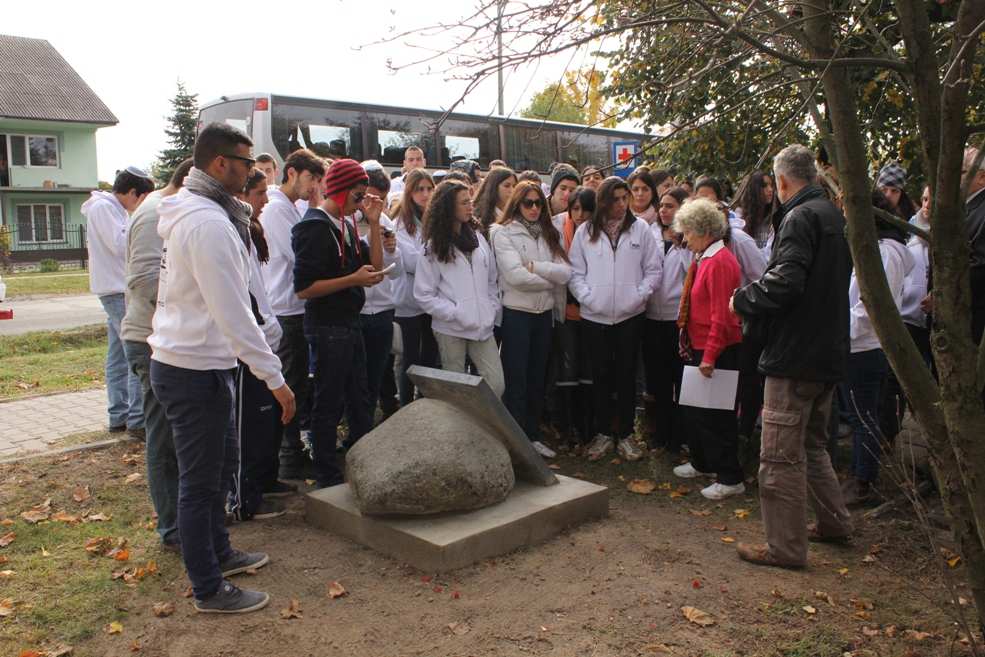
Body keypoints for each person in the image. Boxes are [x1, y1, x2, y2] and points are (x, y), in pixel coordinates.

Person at [149, 123, 296, 613]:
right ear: (218, 165)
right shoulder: (207, 223)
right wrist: (274, 378)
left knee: (214, 474)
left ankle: (221, 553)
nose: (253, 170)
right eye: (246, 162)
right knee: (200, 482)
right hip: (191, 368)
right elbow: (234, 312)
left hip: (203, 363)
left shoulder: (208, 213)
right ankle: (209, 587)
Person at [730, 143, 853, 568]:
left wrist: (742, 300)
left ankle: (784, 547)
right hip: (827, 351)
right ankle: (835, 523)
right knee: (814, 445)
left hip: (795, 355)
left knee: (779, 455)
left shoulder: (800, 216)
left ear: (782, 182)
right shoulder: (831, 214)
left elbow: (785, 282)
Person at [293, 159, 385, 486]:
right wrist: (351, 280)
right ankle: (326, 475)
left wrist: (372, 224)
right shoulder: (314, 226)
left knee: (360, 399)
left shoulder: (345, 223)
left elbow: (373, 266)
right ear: (342, 190)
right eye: (359, 196)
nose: (362, 203)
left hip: (349, 322)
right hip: (327, 326)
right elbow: (304, 288)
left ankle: (360, 465)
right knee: (328, 402)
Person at [121, 158, 192, 553]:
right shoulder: (154, 214)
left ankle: (185, 520)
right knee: (164, 441)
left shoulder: (171, 209)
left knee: (178, 440)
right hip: (149, 340)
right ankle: (172, 528)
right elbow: (146, 280)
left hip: (165, 338)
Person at [569, 176, 661, 462]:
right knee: (600, 376)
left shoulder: (641, 230)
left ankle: (626, 435)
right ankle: (603, 433)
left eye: (626, 198)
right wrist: (589, 298)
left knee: (626, 376)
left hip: (630, 317)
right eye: (616, 199)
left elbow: (654, 270)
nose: (622, 204)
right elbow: (575, 272)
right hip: (594, 317)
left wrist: (637, 297)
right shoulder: (586, 232)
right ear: (603, 201)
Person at [839, 191, 912, 506]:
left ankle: (863, 481)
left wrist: (845, 335)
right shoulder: (875, 249)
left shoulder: (884, 253)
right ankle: (859, 472)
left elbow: (871, 306)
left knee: (863, 416)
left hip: (865, 346)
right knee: (860, 415)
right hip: (858, 344)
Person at [258, 149, 326, 482]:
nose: (314, 187)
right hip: (286, 308)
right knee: (291, 382)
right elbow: (301, 252)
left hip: (296, 307)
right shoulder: (275, 210)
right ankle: (287, 458)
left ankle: (292, 451)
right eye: (311, 179)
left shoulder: (291, 208)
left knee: (300, 382)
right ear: (293, 173)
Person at [491, 181, 571, 458]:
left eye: (539, 203)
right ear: (517, 204)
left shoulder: (550, 233)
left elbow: (565, 272)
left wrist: (537, 267)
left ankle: (533, 435)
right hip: (517, 314)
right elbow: (515, 277)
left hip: (544, 315)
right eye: (528, 203)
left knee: (538, 377)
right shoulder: (502, 233)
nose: (534, 208)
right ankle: (516, 439)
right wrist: (549, 280)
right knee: (516, 378)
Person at [671, 198, 744, 499]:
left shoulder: (720, 262)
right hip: (700, 346)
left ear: (703, 231)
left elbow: (722, 317)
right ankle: (703, 462)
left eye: (687, 232)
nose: (684, 239)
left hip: (716, 350)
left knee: (718, 416)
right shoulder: (705, 258)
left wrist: (710, 356)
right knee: (695, 411)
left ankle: (730, 477)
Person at [229, 169, 288, 521]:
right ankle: (244, 498)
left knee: (267, 421)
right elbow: (245, 296)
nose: (265, 200)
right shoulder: (232, 233)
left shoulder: (251, 232)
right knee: (249, 426)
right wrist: (263, 328)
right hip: (251, 347)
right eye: (259, 193)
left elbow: (260, 289)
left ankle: (265, 482)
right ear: (242, 196)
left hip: (268, 337)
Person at [83, 166, 156, 436]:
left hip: (117, 287)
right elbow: (119, 243)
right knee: (134, 350)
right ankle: (137, 418)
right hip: (115, 289)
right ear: (133, 193)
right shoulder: (102, 208)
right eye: (143, 199)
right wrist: (139, 224)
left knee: (118, 355)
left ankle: (120, 414)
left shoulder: (112, 209)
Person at [414, 180, 504, 394]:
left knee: (496, 384)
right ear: (448, 207)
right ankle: (461, 428)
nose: (470, 206)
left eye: (470, 201)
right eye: (464, 203)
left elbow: (492, 280)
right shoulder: (433, 246)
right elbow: (423, 294)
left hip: (482, 326)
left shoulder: (479, 239)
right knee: (457, 390)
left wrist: (491, 308)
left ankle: (479, 426)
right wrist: (456, 313)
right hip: (450, 329)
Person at [355, 161, 403, 425]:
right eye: (371, 197)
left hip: (383, 311)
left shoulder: (385, 221)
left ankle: (366, 430)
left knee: (374, 376)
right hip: (356, 312)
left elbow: (397, 272)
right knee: (354, 379)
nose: (375, 204)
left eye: (382, 200)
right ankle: (355, 429)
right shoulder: (345, 219)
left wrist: (393, 250)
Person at [642, 186, 690, 452]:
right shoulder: (650, 234)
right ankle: (660, 434)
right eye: (661, 205)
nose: (663, 210)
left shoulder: (689, 239)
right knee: (658, 382)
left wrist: (680, 245)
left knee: (679, 380)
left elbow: (689, 275)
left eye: (670, 206)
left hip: (676, 320)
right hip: (651, 318)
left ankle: (680, 437)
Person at [554, 187, 597, 448]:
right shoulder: (557, 229)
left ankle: (587, 428)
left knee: (588, 370)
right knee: (566, 371)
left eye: (586, 209)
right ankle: (566, 427)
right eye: (575, 209)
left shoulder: (598, 233)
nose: (580, 215)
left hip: (592, 310)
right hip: (565, 311)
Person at [393, 169, 440, 405]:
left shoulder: (436, 219)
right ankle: (405, 407)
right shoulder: (400, 223)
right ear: (409, 192)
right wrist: (434, 255)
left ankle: (425, 404)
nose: (425, 194)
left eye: (429, 188)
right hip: (409, 301)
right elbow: (410, 261)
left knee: (430, 356)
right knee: (409, 358)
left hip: (432, 300)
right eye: (419, 189)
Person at [963, 147, 985, 343]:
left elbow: (980, 265)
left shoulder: (982, 211)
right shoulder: (967, 208)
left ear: (982, 178)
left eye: (961, 172)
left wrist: (943, 293)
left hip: (974, 318)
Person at [737, 171, 780, 254]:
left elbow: (769, 253)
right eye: (764, 186)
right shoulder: (739, 217)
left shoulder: (775, 218)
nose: (770, 190)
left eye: (771, 185)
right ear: (754, 189)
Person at [473, 166, 518, 235]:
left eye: (514, 186)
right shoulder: (478, 217)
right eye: (507, 186)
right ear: (493, 187)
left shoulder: (518, 214)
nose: (512, 190)